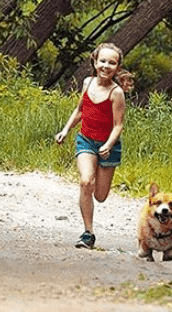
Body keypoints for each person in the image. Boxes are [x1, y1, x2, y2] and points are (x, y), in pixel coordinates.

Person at [55, 43, 130, 249]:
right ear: (95, 62)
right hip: (86, 140)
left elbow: (118, 125)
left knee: (100, 196)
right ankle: (88, 233)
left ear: (117, 67)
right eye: (103, 61)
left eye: (112, 63)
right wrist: (65, 130)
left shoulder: (116, 93)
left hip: (108, 146)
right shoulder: (87, 83)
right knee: (86, 182)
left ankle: (99, 177)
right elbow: (80, 110)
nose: (106, 66)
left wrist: (108, 144)